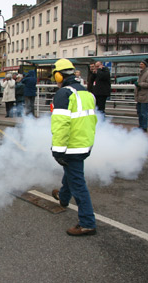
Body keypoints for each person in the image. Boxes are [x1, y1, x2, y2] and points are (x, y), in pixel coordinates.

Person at [50, 58, 98, 236]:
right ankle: (63, 198)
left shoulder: (64, 94)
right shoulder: (86, 93)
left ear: (58, 75)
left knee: (78, 184)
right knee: (71, 172)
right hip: (85, 145)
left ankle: (87, 223)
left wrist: (57, 149)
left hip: (72, 146)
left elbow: (61, 125)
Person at [134, 59, 148, 132]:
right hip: (140, 96)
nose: (140, 65)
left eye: (141, 64)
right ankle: (141, 125)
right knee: (139, 112)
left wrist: (139, 84)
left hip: (144, 96)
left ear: (145, 65)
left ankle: (144, 127)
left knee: (143, 112)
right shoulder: (141, 73)